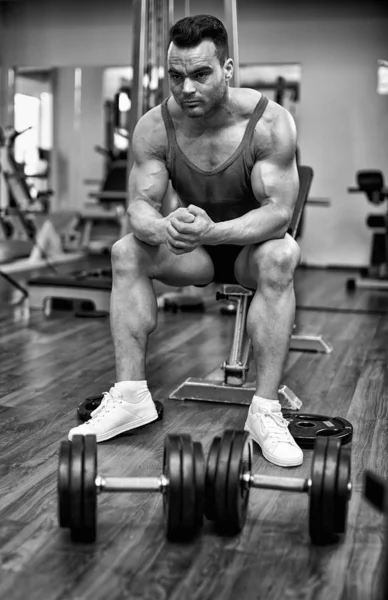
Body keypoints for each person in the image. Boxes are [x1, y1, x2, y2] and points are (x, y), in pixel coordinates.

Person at [69, 14, 303, 468]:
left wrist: (213, 230)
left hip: (249, 249)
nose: (186, 88)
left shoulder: (270, 123)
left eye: (200, 74)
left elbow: (279, 214)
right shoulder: (155, 126)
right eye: (176, 76)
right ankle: (132, 395)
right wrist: (161, 228)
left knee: (282, 255)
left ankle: (266, 411)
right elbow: (138, 204)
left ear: (228, 68)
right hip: (191, 250)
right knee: (125, 251)